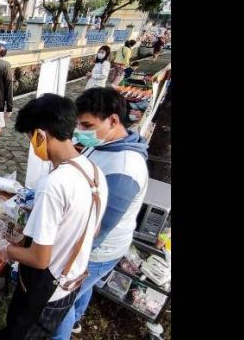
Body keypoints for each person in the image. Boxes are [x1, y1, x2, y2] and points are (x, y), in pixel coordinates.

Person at [0, 94, 107, 340]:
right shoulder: (94, 172)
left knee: (18, 335)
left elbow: (39, 259)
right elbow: (94, 229)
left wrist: (5, 248)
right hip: (70, 283)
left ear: (40, 135)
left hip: (45, 292)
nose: (32, 146)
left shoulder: (53, 184)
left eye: (30, 138)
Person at [52, 88, 149, 339]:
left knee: (62, 302)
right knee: (82, 290)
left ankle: (62, 330)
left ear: (113, 120)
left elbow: (99, 229)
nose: (80, 131)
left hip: (97, 251)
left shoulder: (125, 168)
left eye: (87, 125)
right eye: (79, 124)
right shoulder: (106, 143)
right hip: (95, 247)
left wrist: (64, 255)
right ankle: (77, 321)